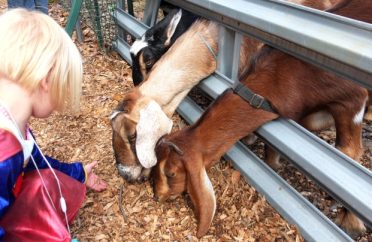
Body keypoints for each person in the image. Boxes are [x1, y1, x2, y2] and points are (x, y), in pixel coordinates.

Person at [0, 9, 107, 241]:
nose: (62, 102)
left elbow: (38, 163)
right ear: (46, 80)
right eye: (64, 88)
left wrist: (79, 173)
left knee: (43, 181)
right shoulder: (3, 151)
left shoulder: (15, 125)